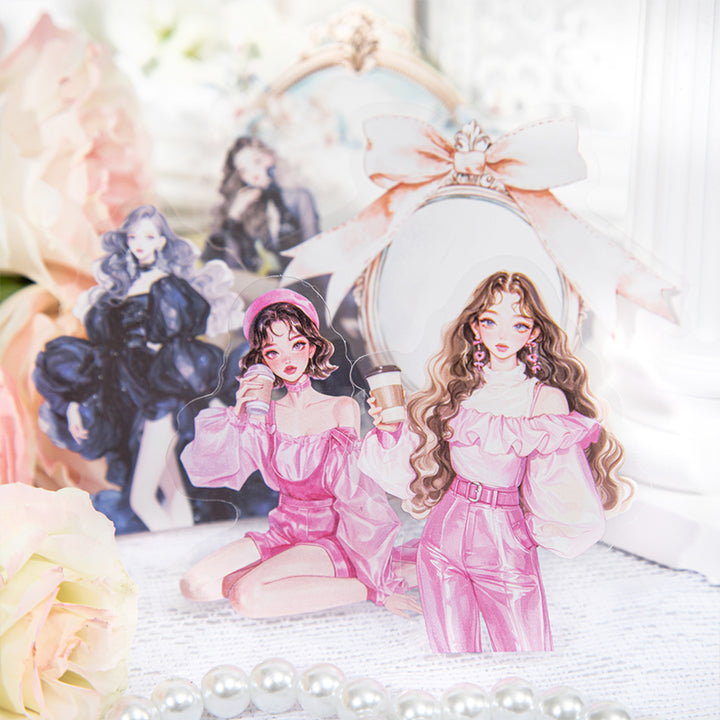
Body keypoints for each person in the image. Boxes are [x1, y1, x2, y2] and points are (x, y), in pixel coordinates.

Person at [359, 270, 634, 653]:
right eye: (490, 321)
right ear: (475, 327)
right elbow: (410, 464)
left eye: (518, 324)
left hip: (505, 539)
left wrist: (528, 533)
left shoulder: (544, 399)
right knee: (452, 658)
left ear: (533, 332)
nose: (503, 336)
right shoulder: (454, 391)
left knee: (526, 654)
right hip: (444, 535)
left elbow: (558, 480)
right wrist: (391, 427)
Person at [179, 288, 420, 619]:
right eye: (272, 352)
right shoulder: (264, 416)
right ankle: (293, 578)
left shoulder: (340, 408)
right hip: (282, 532)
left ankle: (365, 587)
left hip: (329, 538)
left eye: (297, 345)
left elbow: (356, 495)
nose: (287, 360)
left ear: (313, 346)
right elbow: (210, 468)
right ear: (261, 360)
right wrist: (237, 415)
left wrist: (377, 580)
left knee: (245, 596)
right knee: (193, 585)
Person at [34, 205, 235, 533]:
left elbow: (178, 345)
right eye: (133, 237)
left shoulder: (167, 287)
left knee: (142, 498)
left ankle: (173, 555)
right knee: (172, 488)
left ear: (162, 242)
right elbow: (101, 355)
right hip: (133, 399)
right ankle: (185, 551)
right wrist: (73, 403)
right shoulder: (117, 291)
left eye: (149, 237)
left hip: (162, 400)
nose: (140, 244)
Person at [202, 136, 319, 275]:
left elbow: (313, 248)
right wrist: (234, 215)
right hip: (279, 280)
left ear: (270, 157)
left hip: (308, 278)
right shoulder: (253, 207)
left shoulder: (299, 197)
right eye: (244, 170)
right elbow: (233, 265)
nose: (253, 173)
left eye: (257, 161)